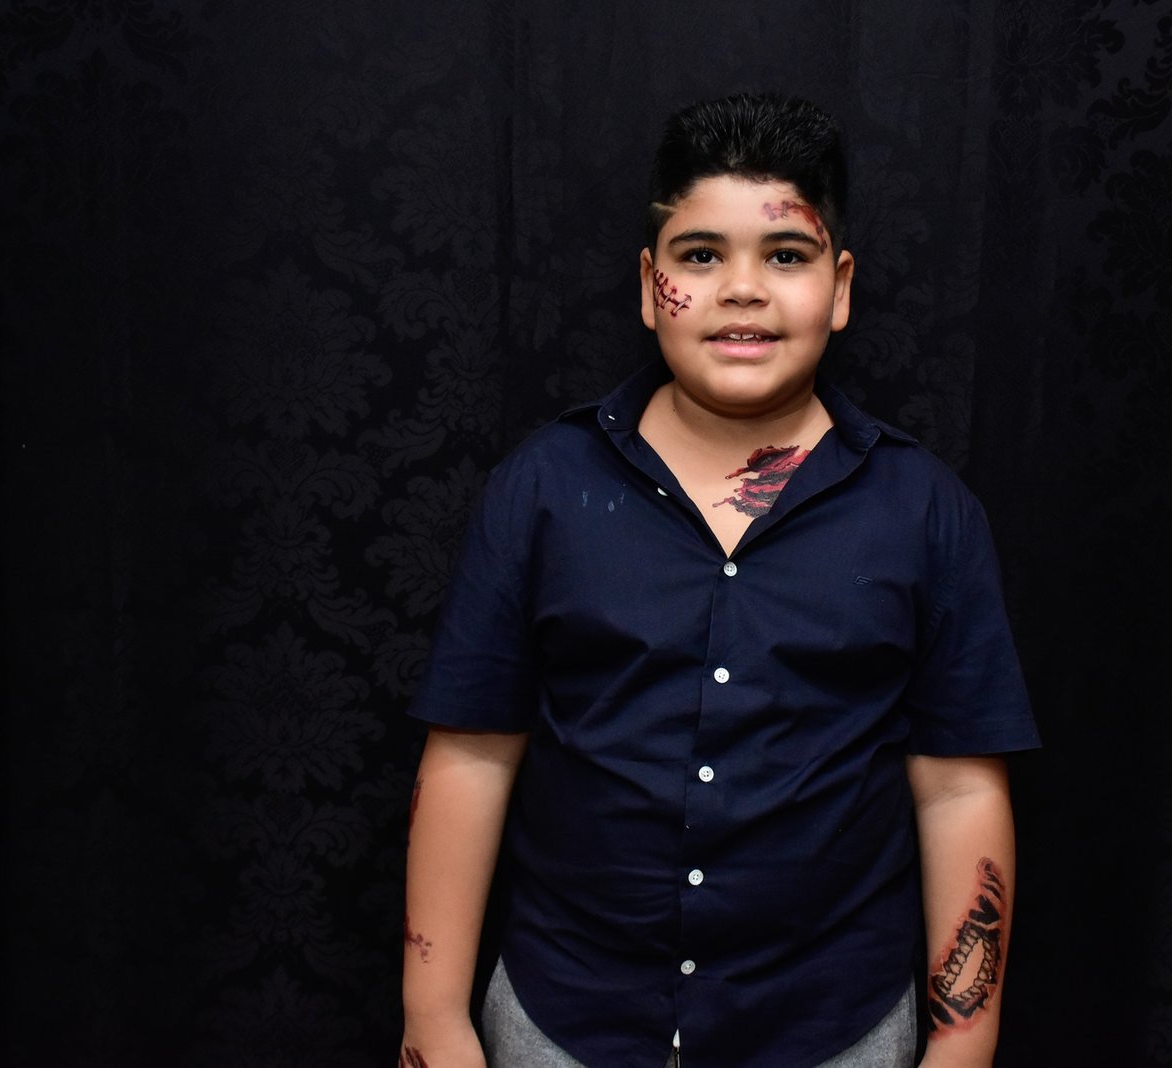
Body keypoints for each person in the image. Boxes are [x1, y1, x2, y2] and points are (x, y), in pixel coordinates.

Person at [399, 92, 1039, 1068]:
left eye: (785, 256)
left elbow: (957, 789)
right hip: (564, 1022)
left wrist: (965, 1044)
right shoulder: (541, 490)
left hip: (835, 1031)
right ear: (650, 285)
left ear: (840, 288)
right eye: (701, 256)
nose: (743, 289)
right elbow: (472, 755)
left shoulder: (926, 513)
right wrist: (433, 1019)